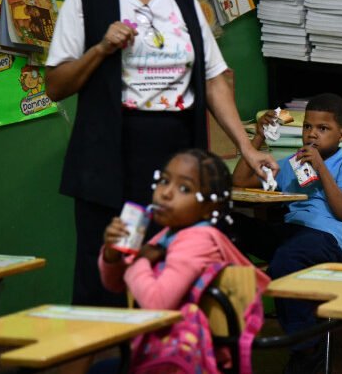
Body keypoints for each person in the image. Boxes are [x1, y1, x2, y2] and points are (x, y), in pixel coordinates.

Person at [45, 0, 278, 307]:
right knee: (109, 277)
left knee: (176, 272)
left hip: (178, 163)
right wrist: (101, 48)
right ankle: (108, 363)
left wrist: (246, 148)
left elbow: (215, 77)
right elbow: (55, 84)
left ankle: (175, 358)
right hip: (112, 162)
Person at [98, 148, 270, 372]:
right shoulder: (170, 233)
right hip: (169, 349)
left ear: (210, 209)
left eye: (184, 188)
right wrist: (112, 254)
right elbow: (115, 284)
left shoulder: (198, 240)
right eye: (164, 181)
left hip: (192, 359)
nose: (166, 193)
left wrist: (140, 260)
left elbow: (156, 304)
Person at [232, 93, 342, 374]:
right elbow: (241, 180)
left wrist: (321, 168)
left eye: (323, 129)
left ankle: (306, 348)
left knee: (286, 260)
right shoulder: (293, 162)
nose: (312, 134)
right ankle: (228, 322)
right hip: (293, 232)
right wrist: (257, 139)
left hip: (328, 239)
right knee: (226, 223)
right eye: (308, 127)